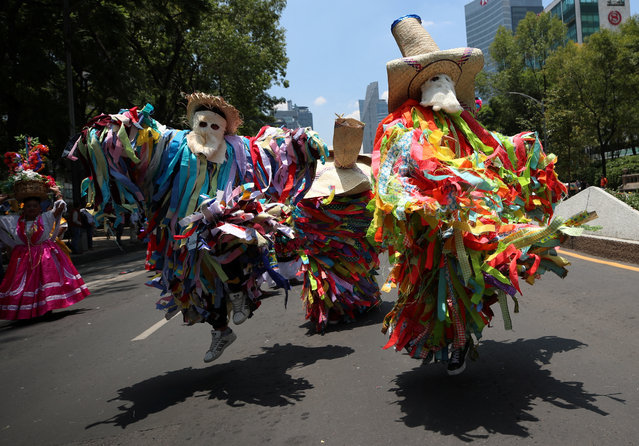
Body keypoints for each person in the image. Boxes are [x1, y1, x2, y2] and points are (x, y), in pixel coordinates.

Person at [370, 15, 588, 375]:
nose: (442, 83)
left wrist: (522, 145)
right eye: (433, 78)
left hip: (474, 212)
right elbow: (390, 174)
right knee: (438, 281)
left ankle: (459, 338)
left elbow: (492, 149)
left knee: (476, 273)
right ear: (419, 86)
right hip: (432, 220)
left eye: (446, 77)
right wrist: (416, 201)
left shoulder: (464, 122)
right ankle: (450, 339)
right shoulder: (401, 127)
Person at [66, 93, 328, 362]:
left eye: (215, 126)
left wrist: (300, 142)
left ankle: (239, 293)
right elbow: (140, 138)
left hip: (228, 219)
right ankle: (221, 331)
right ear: (193, 124)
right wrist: (116, 129)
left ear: (225, 130)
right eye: (202, 124)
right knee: (196, 287)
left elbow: (274, 149)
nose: (207, 132)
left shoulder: (240, 148)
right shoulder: (173, 143)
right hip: (182, 230)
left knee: (229, 238)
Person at [293, 117, 381, 332]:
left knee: (352, 266)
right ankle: (343, 303)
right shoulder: (310, 205)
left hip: (344, 245)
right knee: (342, 268)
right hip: (329, 245)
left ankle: (347, 303)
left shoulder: (360, 201)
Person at [0, 189, 90, 320]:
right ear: (23, 208)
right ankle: (28, 309)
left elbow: (60, 207)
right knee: (26, 284)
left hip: (45, 256)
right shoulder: (14, 221)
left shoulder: (46, 218)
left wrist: (57, 193)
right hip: (24, 257)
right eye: (28, 206)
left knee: (44, 282)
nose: (31, 208)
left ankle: (46, 308)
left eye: (34, 206)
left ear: (39, 208)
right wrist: (3, 198)